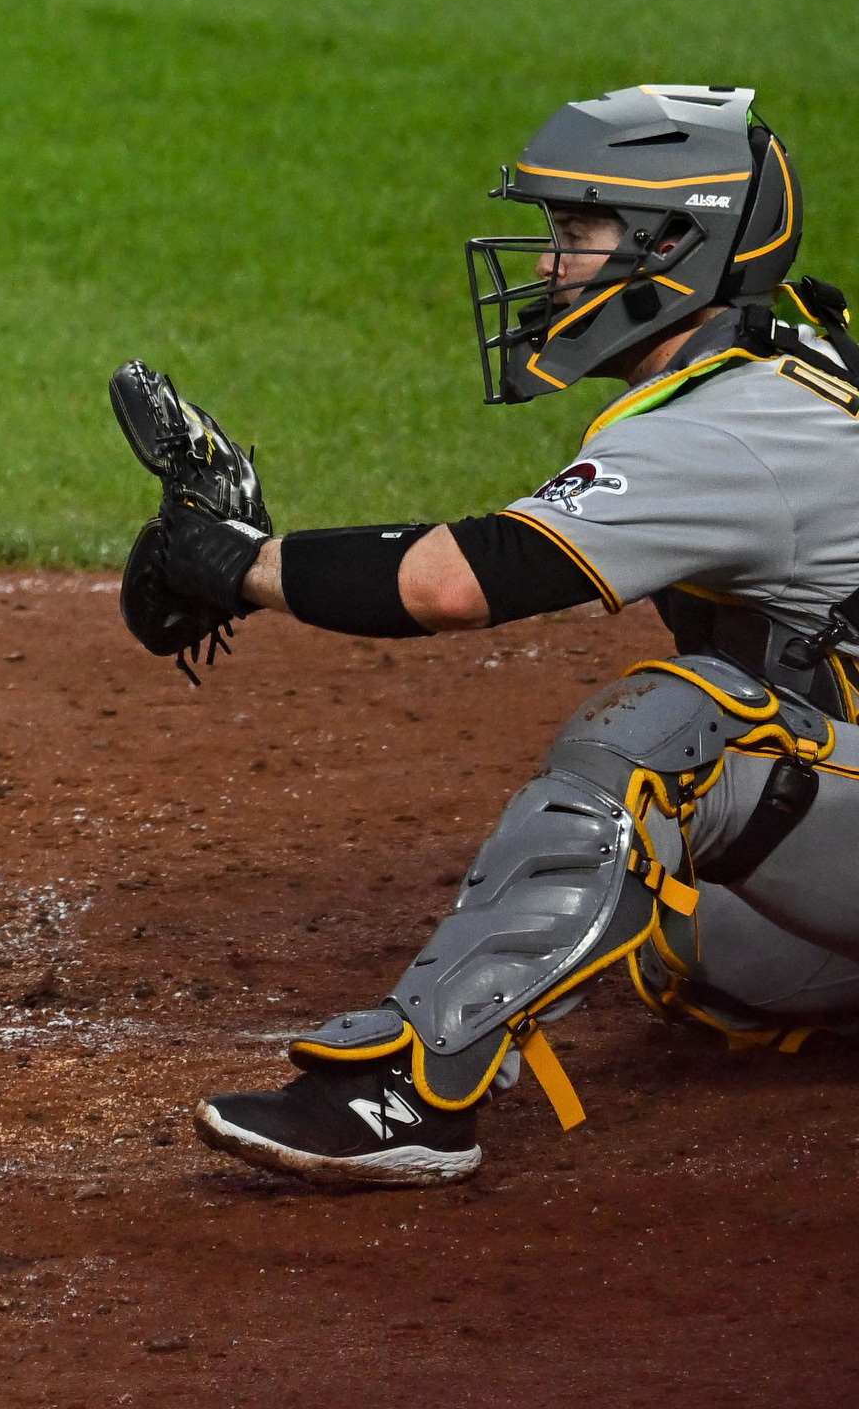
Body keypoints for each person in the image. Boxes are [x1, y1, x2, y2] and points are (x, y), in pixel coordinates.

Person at [113, 82, 859, 1187]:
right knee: (689, 940)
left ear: (676, 245)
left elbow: (455, 582)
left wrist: (236, 563)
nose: (550, 265)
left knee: (664, 731)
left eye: (578, 234)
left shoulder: (733, 428)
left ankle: (413, 1089)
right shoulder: (777, 365)